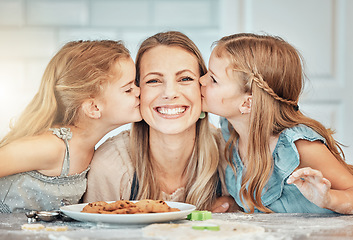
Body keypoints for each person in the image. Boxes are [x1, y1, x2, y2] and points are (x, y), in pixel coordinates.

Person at [199, 33, 353, 214]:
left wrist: (328, 199)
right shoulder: (230, 135)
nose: (201, 80)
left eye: (213, 79)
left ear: (247, 103)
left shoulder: (297, 146)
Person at [84, 31, 238, 212]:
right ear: (136, 90)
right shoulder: (111, 165)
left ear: (203, 88)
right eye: (154, 80)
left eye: (185, 78)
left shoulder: (232, 155)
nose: (170, 93)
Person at [0, 40, 141, 213]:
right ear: (93, 108)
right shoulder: (52, 147)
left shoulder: (88, 148)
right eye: (128, 89)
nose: (139, 91)